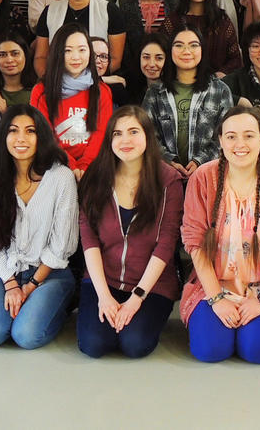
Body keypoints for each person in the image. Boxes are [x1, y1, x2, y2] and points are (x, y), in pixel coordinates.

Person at [180, 106, 260, 363]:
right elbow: (195, 243)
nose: (240, 144)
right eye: (231, 136)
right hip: (215, 284)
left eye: (249, 136)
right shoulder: (203, 178)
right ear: (220, 140)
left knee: (258, 351)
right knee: (210, 350)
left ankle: (253, 325)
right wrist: (216, 298)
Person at [77, 105, 183, 357]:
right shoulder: (96, 176)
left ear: (147, 136)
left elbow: (166, 243)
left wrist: (136, 298)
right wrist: (103, 295)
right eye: (117, 133)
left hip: (151, 285)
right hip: (105, 279)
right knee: (94, 345)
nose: (125, 140)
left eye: (133, 132)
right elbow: (88, 237)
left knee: (135, 344)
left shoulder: (168, 180)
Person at [0, 104, 78, 348]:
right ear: (3, 136)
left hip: (50, 272)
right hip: (5, 271)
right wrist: (11, 284)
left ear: (41, 136)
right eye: (13, 130)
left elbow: (62, 243)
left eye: (30, 131)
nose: (21, 138)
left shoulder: (60, 177)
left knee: (26, 336)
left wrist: (30, 286)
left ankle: (60, 304)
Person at [143, 26, 234, 177]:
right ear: (170, 51)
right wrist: (168, 160)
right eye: (179, 45)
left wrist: (200, 161)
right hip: (164, 176)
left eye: (193, 45)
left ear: (202, 50)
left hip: (209, 174)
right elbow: (147, 133)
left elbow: (227, 135)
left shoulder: (220, 90)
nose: (186, 51)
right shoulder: (155, 92)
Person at [30, 23, 113, 177]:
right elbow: (45, 135)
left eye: (82, 50)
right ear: (57, 53)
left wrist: (84, 166)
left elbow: (101, 134)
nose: (76, 57)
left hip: (92, 167)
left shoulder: (102, 91)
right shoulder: (41, 91)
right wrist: (71, 166)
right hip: (53, 165)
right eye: (67, 51)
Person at [33, 0, 126, 75]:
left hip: (96, 84)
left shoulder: (110, 11)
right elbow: (40, 57)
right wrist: (50, 81)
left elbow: (115, 60)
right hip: (57, 84)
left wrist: (87, 83)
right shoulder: (50, 11)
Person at [166, 0, 242, 76]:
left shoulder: (221, 20)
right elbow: (163, 54)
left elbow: (235, 59)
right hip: (181, 82)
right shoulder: (173, 21)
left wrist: (221, 73)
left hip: (216, 86)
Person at [117, 0, 177, 65]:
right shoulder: (127, 7)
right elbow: (125, 46)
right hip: (136, 68)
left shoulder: (174, 5)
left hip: (170, 67)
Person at [0, 31, 38, 114]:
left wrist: (5, 112)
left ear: (25, 55)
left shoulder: (38, 91)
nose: (9, 60)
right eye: (2, 55)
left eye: (15, 54)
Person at [126, 32, 170, 106]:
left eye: (159, 58)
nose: (151, 64)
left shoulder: (175, 94)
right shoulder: (130, 88)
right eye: (146, 57)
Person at [91, 37, 127, 106]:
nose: (98, 61)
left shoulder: (116, 89)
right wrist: (101, 79)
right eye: (93, 56)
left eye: (103, 56)